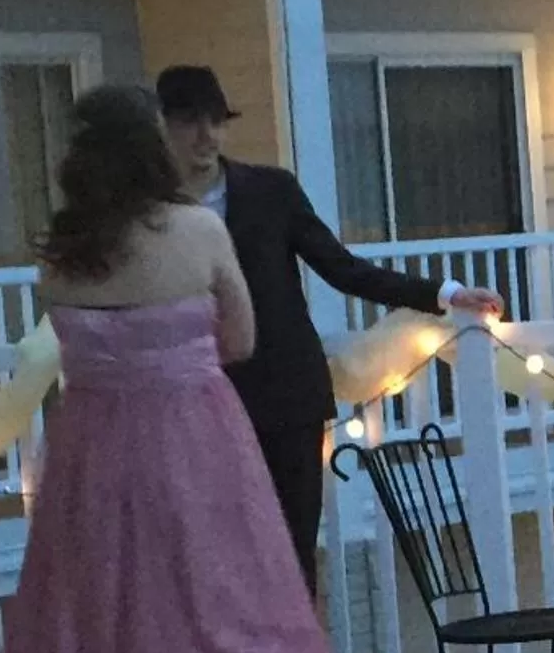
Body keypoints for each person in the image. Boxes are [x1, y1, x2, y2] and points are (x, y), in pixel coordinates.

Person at [0, 86, 396, 653]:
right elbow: (241, 339)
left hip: (94, 455)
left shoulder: (59, 255)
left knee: (101, 635)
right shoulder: (200, 230)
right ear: (151, 150)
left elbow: (66, 349)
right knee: (228, 621)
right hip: (197, 447)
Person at [154, 65, 501, 589]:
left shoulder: (271, 191)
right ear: (162, 126)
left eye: (216, 121)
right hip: (194, 402)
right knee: (213, 557)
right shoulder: (150, 210)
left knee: (291, 551)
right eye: (188, 122)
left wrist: (444, 295)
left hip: (285, 396)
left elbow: (341, 267)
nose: (206, 136)